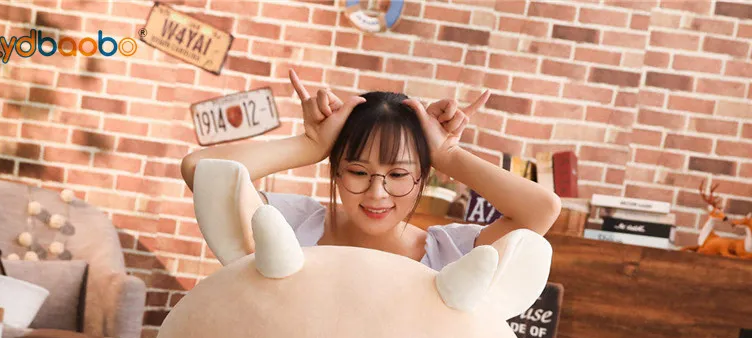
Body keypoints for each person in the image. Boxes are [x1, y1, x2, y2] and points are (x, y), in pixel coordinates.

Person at [181, 69, 561, 270]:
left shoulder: (449, 254)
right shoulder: (293, 224)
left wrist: (448, 154)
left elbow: (541, 210)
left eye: (398, 175)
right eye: (359, 172)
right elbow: (200, 169)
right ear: (336, 171)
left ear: (422, 177)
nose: (377, 194)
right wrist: (309, 144)